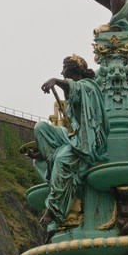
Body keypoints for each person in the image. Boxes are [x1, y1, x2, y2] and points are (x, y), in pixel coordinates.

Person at [38, 54, 106, 231]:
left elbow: (78, 88)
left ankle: (54, 210)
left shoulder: (90, 86)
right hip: (73, 137)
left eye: (64, 70)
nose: (62, 73)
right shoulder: (75, 88)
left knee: (62, 159)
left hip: (87, 141)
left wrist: (57, 81)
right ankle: (50, 158)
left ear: (74, 70)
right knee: (41, 129)